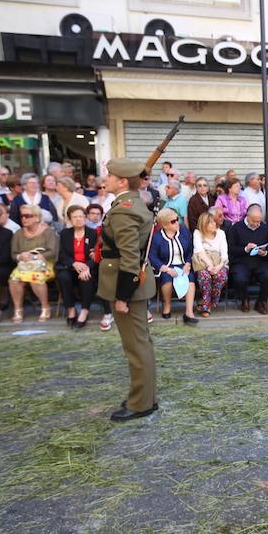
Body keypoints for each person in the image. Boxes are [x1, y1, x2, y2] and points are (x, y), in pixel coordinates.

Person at [98, 159, 158, 422]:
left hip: (127, 286)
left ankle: (140, 403)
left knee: (136, 347)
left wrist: (122, 296)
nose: (106, 178)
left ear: (122, 181)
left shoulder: (124, 210)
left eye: (110, 175)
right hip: (133, 283)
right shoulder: (130, 204)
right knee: (140, 344)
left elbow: (130, 258)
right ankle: (144, 397)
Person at [9, 204, 58, 324]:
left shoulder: (48, 232)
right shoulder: (19, 233)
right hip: (25, 265)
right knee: (14, 279)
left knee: (35, 278)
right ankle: (18, 309)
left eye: (28, 216)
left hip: (44, 264)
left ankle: (45, 307)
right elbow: (14, 253)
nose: (24, 219)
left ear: (37, 217)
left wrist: (34, 256)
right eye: (22, 216)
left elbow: (53, 252)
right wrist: (20, 256)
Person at [149, 208, 199, 325]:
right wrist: (166, 269)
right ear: (164, 225)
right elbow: (152, 256)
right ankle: (167, 305)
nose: (177, 222)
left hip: (183, 264)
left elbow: (190, 250)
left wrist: (188, 263)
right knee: (168, 280)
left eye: (177, 220)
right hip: (166, 265)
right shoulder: (157, 237)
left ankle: (189, 312)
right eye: (173, 221)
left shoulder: (184, 231)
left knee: (190, 280)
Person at [56, 206, 99, 329]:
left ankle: (85, 311)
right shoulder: (65, 233)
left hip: (87, 267)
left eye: (81, 216)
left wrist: (86, 267)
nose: (78, 219)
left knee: (86, 278)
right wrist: (74, 264)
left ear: (85, 218)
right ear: (70, 219)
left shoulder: (93, 233)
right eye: (75, 217)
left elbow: (96, 255)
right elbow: (62, 254)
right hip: (70, 267)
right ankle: (71, 309)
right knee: (63, 277)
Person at [227, 203, 268, 314]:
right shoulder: (236, 228)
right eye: (254, 221)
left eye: (259, 221)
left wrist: (264, 253)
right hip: (241, 262)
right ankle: (245, 299)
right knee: (239, 278)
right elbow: (231, 250)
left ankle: (261, 302)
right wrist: (245, 249)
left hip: (260, 261)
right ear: (247, 217)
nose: (257, 224)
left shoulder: (265, 228)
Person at [192, 211, 229, 317]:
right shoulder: (197, 233)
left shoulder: (221, 233)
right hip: (203, 262)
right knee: (204, 276)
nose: (214, 224)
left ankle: (207, 301)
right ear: (204, 224)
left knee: (221, 276)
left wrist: (218, 267)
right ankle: (206, 306)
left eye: (214, 222)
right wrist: (210, 266)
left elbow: (224, 254)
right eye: (211, 223)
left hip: (218, 262)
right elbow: (199, 251)